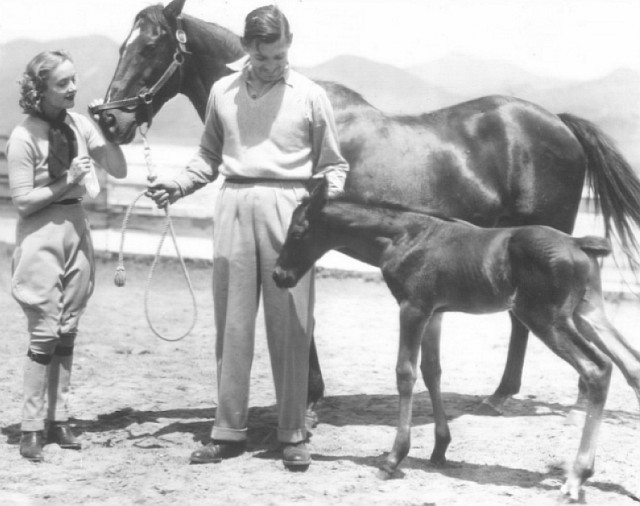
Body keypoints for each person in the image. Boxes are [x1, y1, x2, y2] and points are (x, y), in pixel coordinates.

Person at [147, 5, 348, 470]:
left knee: (293, 327)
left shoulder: (312, 96)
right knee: (233, 326)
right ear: (246, 49)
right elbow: (206, 157)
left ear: (288, 45)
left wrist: (318, 208)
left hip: (289, 210)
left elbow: (333, 166)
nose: (272, 66)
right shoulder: (222, 91)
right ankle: (227, 431)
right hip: (234, 204)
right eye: (262, 58)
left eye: (279, 56)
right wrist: (177, 185)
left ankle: (293, 432)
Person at [6, 50, 128, 462]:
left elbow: (119, 169)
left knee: (68, 328)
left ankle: (59, 419)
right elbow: (23, 202)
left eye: (74, 80)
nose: (73, 88)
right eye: (63, 83)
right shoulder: (24, 136)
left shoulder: (79, 124)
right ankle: (31, 428)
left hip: (76, 227)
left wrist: (109, 132)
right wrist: (66, 180)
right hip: (41, 232)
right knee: (44, 330)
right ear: (39, 89)